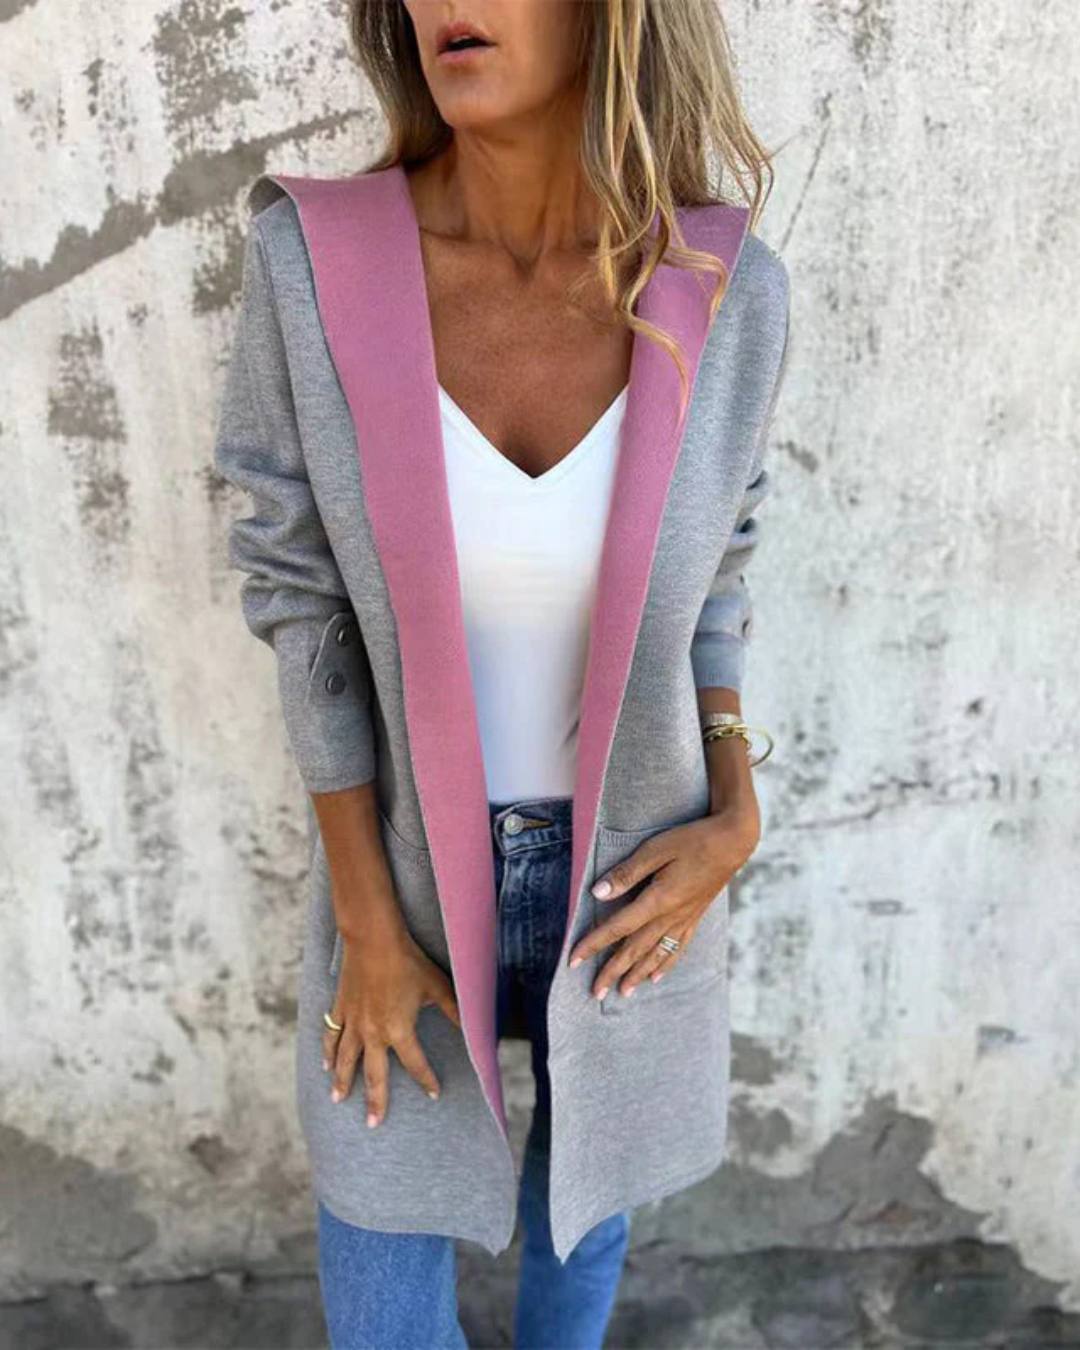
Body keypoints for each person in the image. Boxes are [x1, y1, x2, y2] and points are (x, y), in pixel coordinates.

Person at [213, 0, 791, 1344]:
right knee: (382, 1289)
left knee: (582, 1230)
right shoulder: (316, 263)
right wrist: (365, 915)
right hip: (403, 882)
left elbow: (719, 572)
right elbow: (298, 595)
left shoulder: (724, 290)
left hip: (635, 874)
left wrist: (735, 802)